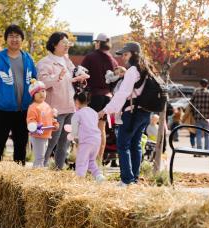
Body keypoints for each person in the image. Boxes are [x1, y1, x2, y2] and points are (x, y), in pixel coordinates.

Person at [98, 42, 152, 186]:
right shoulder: (146, 69)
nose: (123, 57)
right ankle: (133, 179)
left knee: (123, 145)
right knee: (136, 145)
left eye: (126, 54)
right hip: (145, 113)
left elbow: (123, 93)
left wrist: (105, 110)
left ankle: (126, 180)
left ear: (134, 54)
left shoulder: (133, 70)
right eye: (122, 54)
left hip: (131, 113)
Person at [0, 24, 37, 164]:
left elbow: (35, 79)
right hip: (2, 109)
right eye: (11, 36)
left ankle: (18, 177)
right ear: (6, 39)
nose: (14, 39)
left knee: (21, 145)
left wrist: (33, 97)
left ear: (22, 39)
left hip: (23, 110)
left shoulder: (28, 58)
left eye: (17, 36)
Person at [37, 32, 87, 169]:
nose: (67, 45)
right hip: (54, 110)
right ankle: (40, 169)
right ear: (54, 45)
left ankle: (58, 171)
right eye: (63, 43)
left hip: (70, 107)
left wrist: (80, 79)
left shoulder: (66, 60)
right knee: (50, 142)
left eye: (67, 43)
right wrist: (57, 77)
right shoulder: (44, 62)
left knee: (64, 143)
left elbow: (72, 76)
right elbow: (42, 83)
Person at [81, 33, 118, 161]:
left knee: (89, 129)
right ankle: (98, 160)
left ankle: (88, 161)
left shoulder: (90, 57)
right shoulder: (113, 60)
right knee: (101, 129)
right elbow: (115, 82)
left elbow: (81, 75)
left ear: (98, 43)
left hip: (94, 97)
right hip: (107, 98)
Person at [68, 92, 105, 181]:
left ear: (76, 101)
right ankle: (98, 175)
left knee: (81, 161)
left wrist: (73, 137)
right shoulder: (94, 112)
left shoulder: (77, 114)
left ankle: (79, 179)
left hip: (86, 140)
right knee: (91, 160)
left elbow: (74, 129)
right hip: (96, 139)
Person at [26, 79, 57, 167]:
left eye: (43, 91)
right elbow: (30, 120)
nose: (41, 94)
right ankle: (37, 171)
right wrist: (34, 126)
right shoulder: (33, 107)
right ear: (33, 95)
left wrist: (54, 123)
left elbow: (50, 118)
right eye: (38, 92)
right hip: (37, 135)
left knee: (42, 156)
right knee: (40, 157)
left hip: (46, 134)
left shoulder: (46, 105)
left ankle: (38, 171)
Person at [189, 78, 209, 150]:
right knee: (207, 135)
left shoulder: (196, 93)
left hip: (197, 117)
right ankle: (207, 150)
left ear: (200, 84)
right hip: (207, 118)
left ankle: (199, 149)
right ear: (207, 85)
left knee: (198, 134)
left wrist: (194, 114)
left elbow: (191, 105)